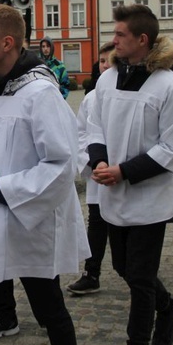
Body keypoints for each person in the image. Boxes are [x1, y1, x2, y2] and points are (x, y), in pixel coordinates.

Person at [0, 5, 89, 345]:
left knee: (49, 311)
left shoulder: (40, 93)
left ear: (8, 43)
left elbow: (61, 164)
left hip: (28, 222)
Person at [87, 5, 173, 345]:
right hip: (113, 188)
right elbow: (95, 124)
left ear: (142, 40)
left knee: (141, 277)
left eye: (119, 35)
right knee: (121, 266)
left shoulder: (169, 86)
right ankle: (170, 307)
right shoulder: (107, 78)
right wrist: (100, 160)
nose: (113, 41)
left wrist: (125, 171)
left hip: (150, 193)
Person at [67, 42, 115, 296]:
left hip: (122, 172)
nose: (106, 65)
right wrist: (92, 162)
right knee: (96, 222)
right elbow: (81, 133)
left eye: (111, 60)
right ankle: (91, 272)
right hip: (98, 169)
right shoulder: (91, 97)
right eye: (103, 61)